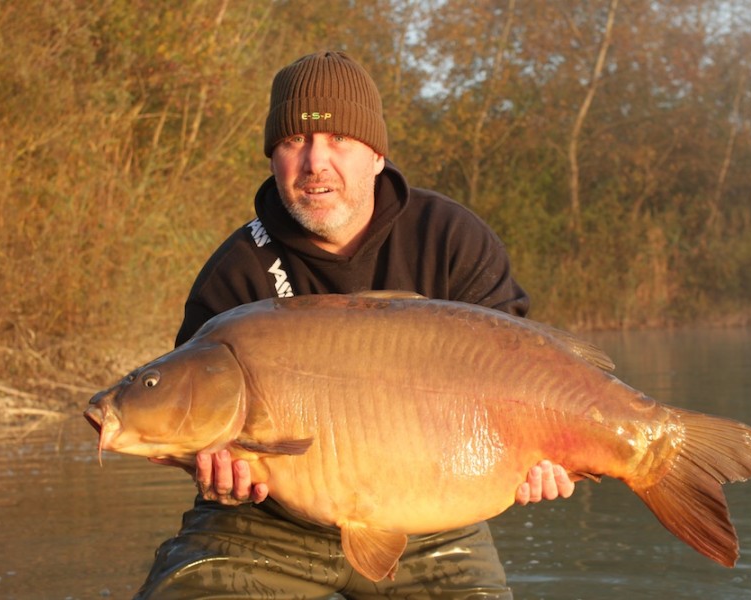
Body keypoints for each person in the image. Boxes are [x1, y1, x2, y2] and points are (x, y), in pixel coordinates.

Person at [136, 50, 577, 599]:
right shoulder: (236, 273)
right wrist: (219, 479)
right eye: (295, 141)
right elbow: (192, 433)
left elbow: (525, 384)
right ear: (273, 156)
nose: (316, 162)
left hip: (431, 521)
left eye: (339, 140)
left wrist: (543, 460)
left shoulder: (451, 240)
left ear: (376, 155)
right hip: (267, 525)